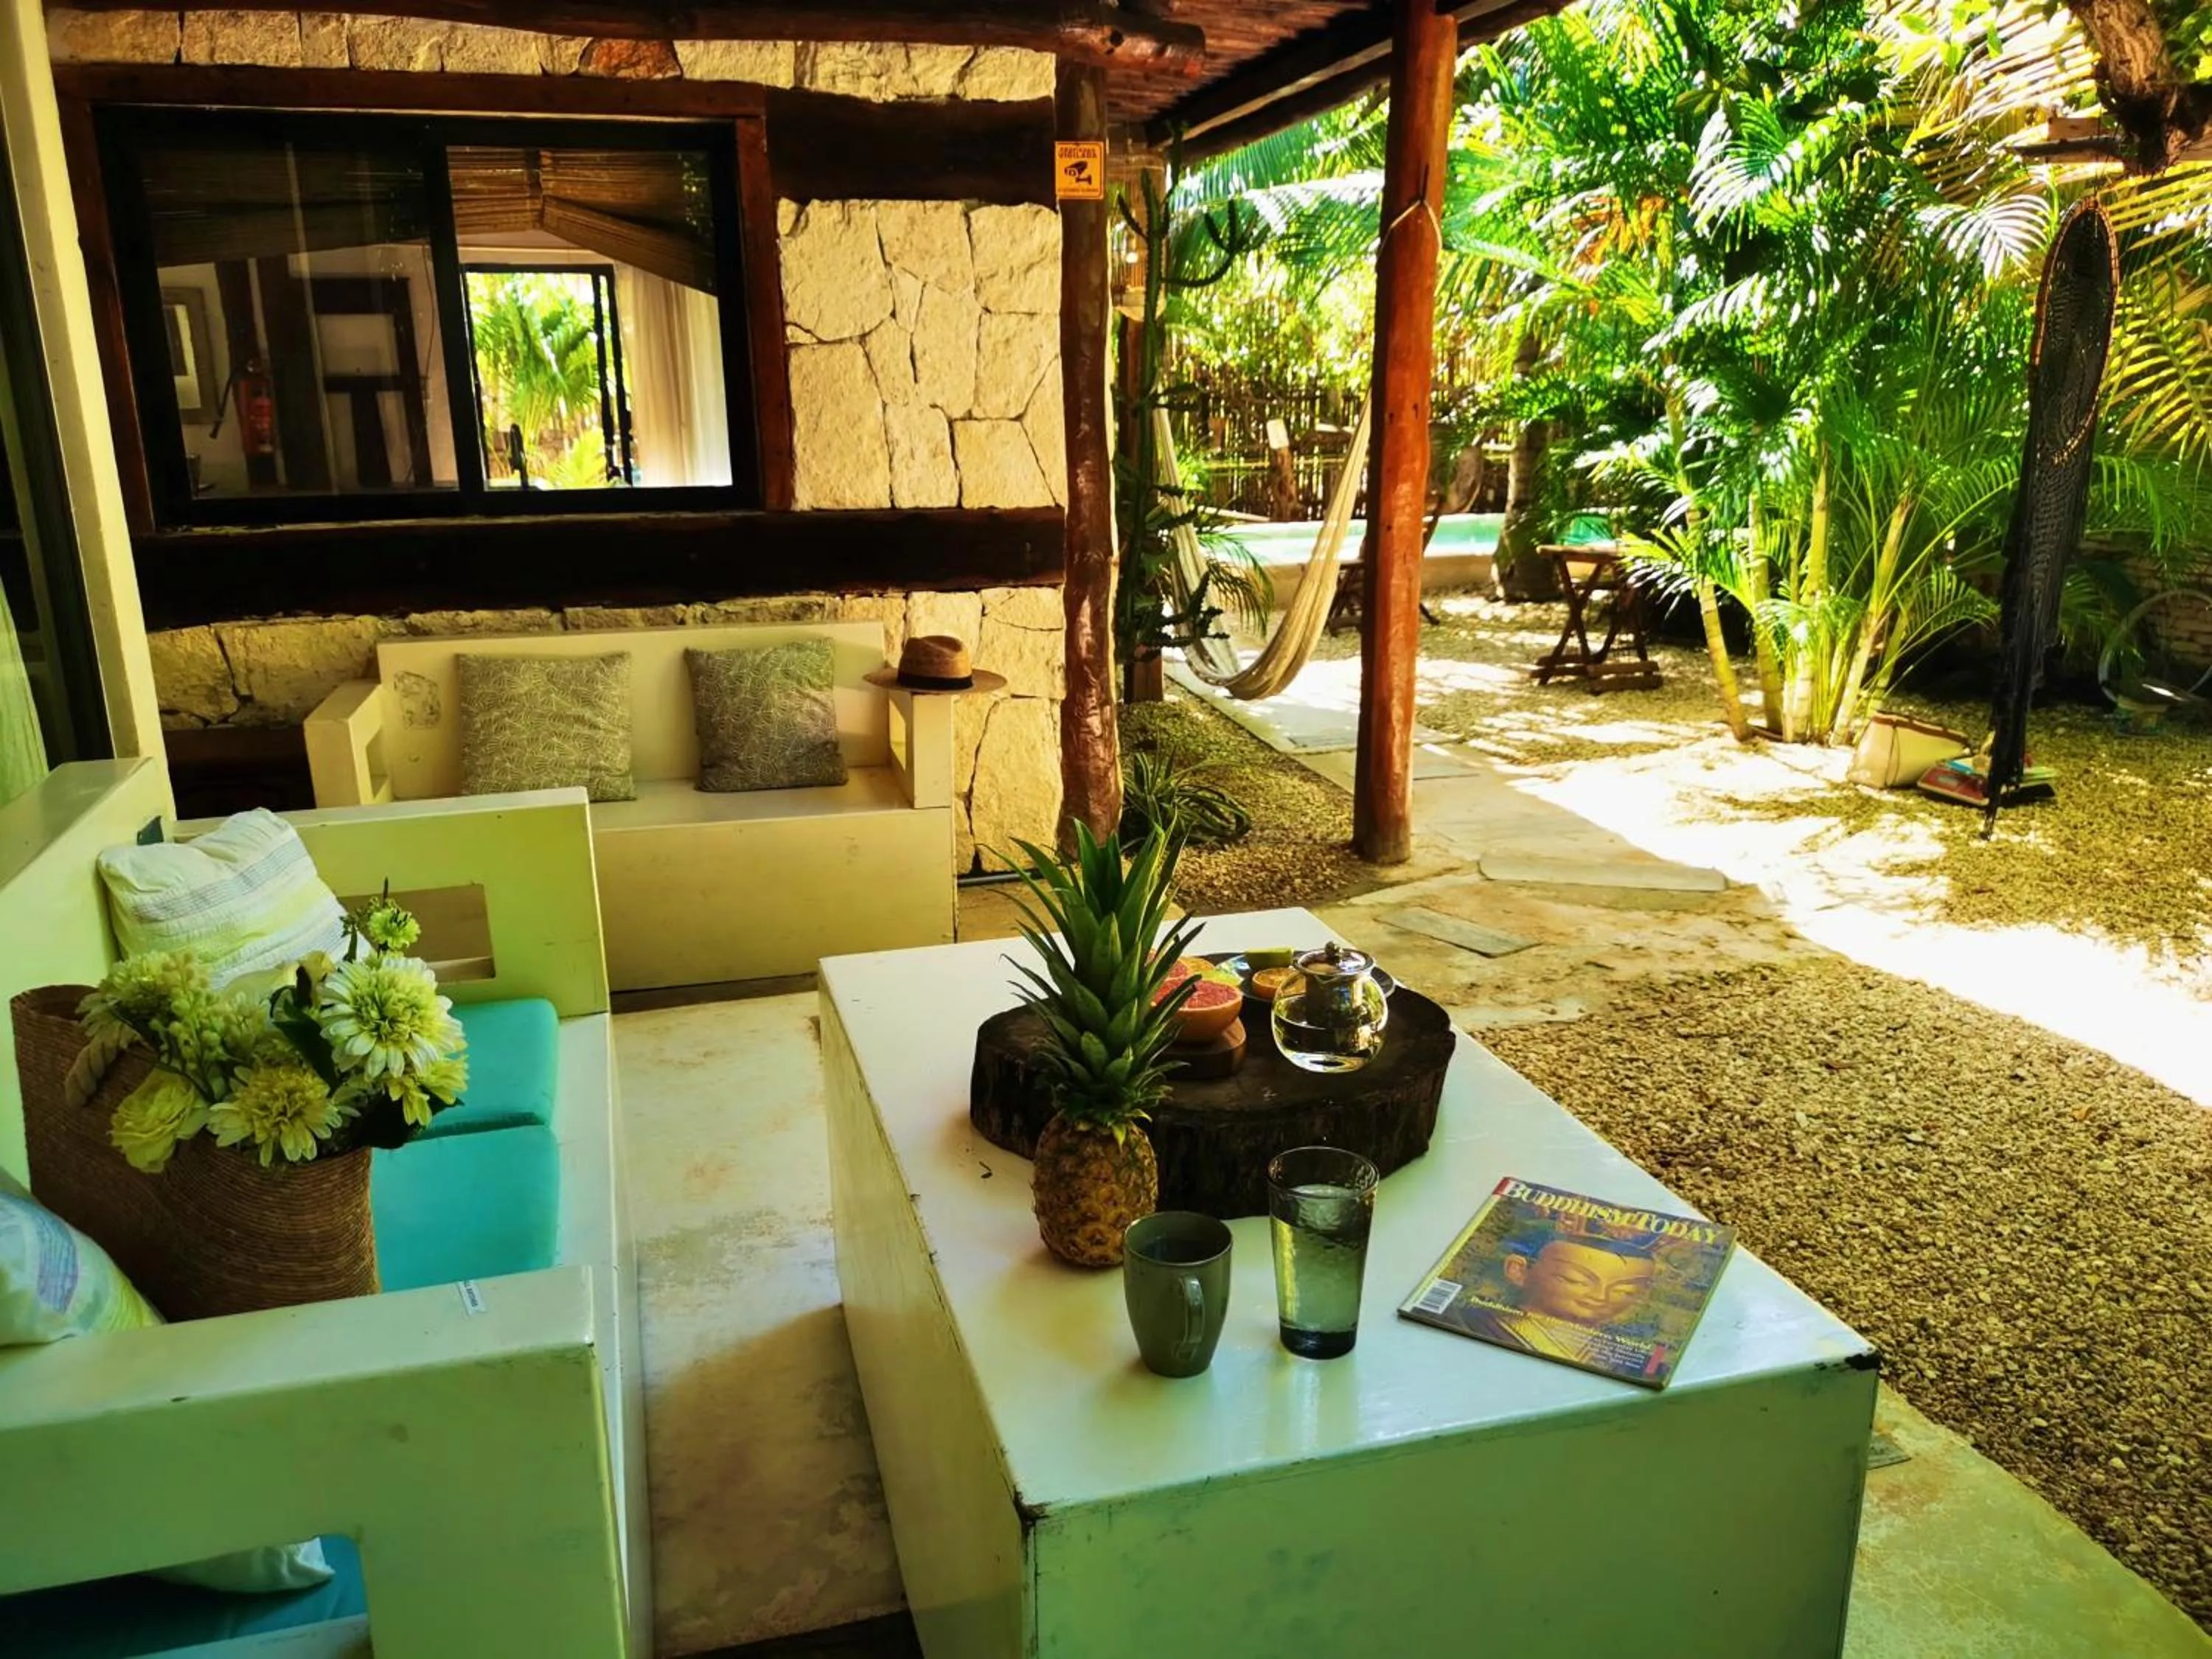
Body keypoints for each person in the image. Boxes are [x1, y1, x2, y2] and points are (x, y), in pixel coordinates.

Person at [1456, 1226, 1660, 1368]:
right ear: (1518, 1271)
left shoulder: (1642, 1364)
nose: (1600, 1297)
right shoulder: (1465, 1322)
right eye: (1575, 1280)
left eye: (1625, 1291)